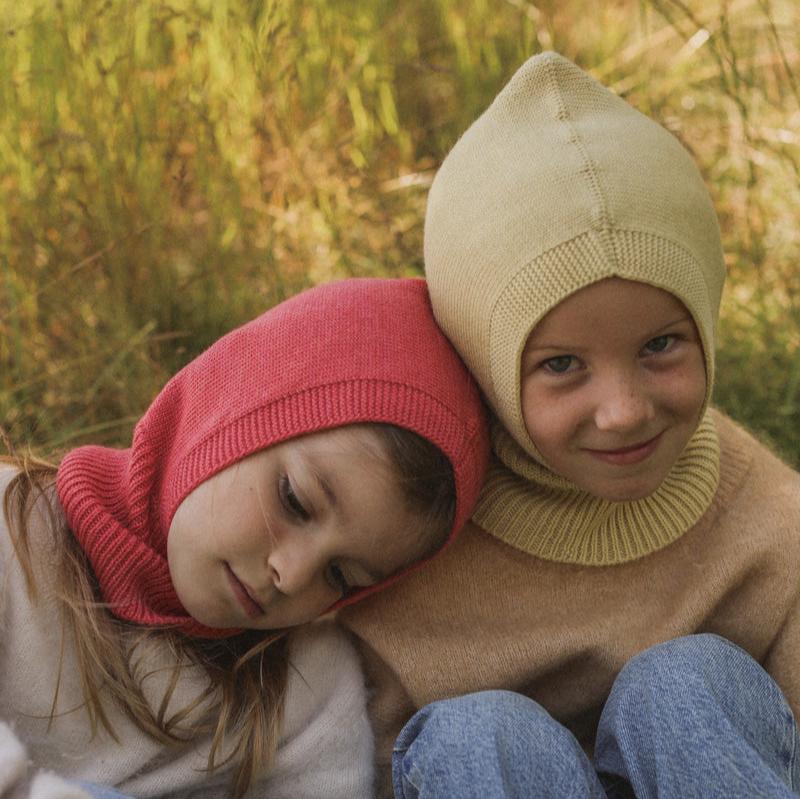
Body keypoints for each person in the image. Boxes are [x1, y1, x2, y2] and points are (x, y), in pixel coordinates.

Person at [338, 52, 800, 798]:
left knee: (684, 685)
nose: (622, 411)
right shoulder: (414, 524)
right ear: (485, 364)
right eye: (560, 365)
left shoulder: (765, 519)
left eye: (659, 346)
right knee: (478, 732)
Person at [0, 277, 489, 798]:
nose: (292, 574)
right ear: (233, 409)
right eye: (295, 501)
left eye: (340, 576)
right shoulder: (13, 533)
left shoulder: (309, 692)